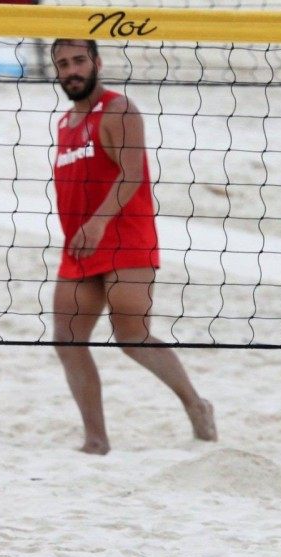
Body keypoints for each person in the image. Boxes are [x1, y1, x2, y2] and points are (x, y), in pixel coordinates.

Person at [50, 38, 216, 454]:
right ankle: (96, 439)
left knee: (133, 338)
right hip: (80, 247)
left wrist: (100, 221)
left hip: (125, 241)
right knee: (67, 341)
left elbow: (132, 172)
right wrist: (85, 230)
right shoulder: (65, 124)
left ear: (97, 63)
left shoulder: (118, 109)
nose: (71, 69)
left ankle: (195, 405)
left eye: (78, 60)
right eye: (63, 63)